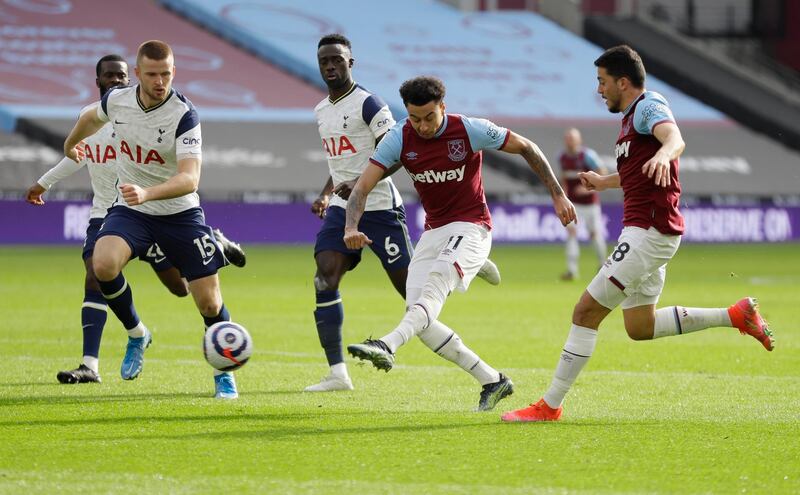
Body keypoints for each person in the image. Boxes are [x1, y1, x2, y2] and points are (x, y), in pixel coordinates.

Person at [501, 45, 775, 423]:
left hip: (648, 231)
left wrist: (666, 154)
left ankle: (549, 406)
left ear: (623, 82)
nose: (599, 90)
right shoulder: (630, 121)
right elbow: (639, 172)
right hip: (649, 232)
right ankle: (736, 315)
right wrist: (605, 181)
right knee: (640, 327)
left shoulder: (647, 107)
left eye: (602, 82)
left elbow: (675, 139)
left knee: (585, 311)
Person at [344, 76, 575, 411]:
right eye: (414, 119)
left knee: (433, 290)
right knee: (419, 318)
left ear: (443, 107)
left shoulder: (469, 129)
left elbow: (527, 147)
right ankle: (492, 380)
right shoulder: (399, 137)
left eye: (429, 117)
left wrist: (557, 195)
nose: (421, 126)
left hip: (472, 225)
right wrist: (351, 226)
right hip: (434, 232)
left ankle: (387, 344)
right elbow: (362, 188)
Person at [25, 54, 246, 385]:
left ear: (173, 73)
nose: (160, 81)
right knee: (101, 267)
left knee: (203, 300)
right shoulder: (116, 103)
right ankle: (129, 339)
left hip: (177, 212)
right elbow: (88, 118)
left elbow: (190, 179)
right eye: (153, 74)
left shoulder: (184, 114)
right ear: (140, 74)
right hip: (129, 212)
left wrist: (147, 192)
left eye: (166, 74)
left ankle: (224, 375)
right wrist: (70, 144)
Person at [306, 35, 501, 392]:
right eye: (324, 61)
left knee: (416, 304)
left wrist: (365, 180)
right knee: (324, 278)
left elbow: (396, 150)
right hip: (344, 206)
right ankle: (337, 372)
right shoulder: (322, 111)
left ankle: (473, 261)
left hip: (380, 207)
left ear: (352, 62)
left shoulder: (369, 105)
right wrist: (328, 192)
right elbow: (339, 164)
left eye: (337, 59)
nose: (330, 66)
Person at [558, 127, 608, 281]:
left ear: (579, 140)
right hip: (573, 204)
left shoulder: (587, 155)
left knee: (594, 234)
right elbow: (564, 179)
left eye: (572, 138)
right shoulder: (562, 158)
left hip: (590, 203)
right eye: (568, 138)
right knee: (571, 233)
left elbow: (603, 173)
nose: (570, 141)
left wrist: (588, 190)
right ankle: (572, 271)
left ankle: (603, 266)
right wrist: (562, 196)